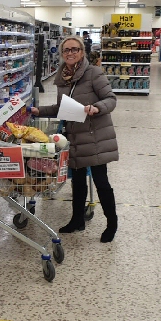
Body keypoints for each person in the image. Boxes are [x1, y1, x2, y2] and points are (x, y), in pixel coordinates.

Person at [31, 36, 119, 242]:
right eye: (66, 50)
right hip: (74, 136)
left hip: (94, 136)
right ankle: (77, 220)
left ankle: (112, 223)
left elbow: (111, 99)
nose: (70, 53)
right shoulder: (63, 77)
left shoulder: (93, 73)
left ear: (82, 52)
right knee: (78, 182)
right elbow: (62, 108)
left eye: (75, 49)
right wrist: (39, 110)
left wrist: (97, 108)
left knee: (101, 181)